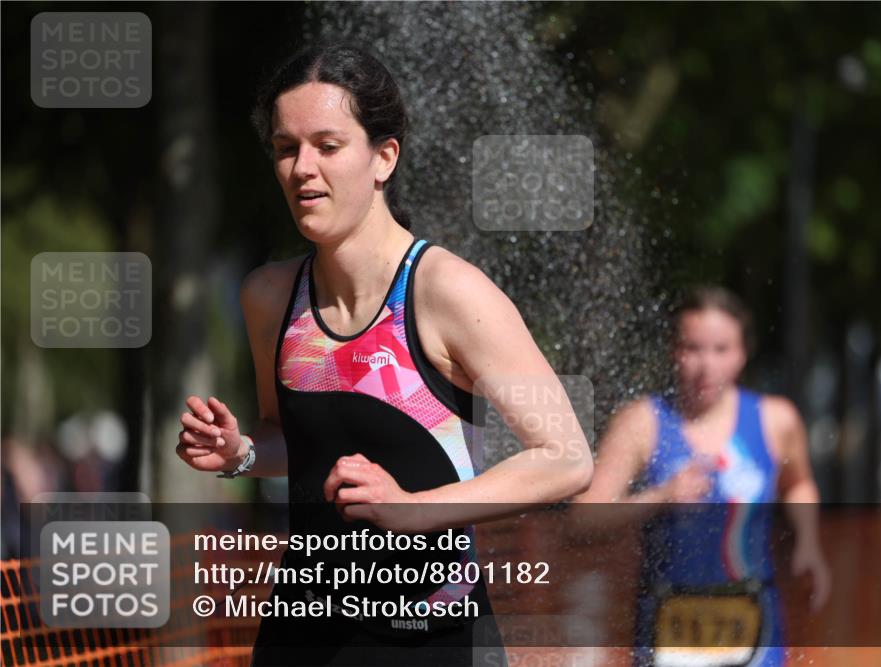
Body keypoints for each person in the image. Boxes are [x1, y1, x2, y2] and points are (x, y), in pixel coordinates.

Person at [175, 42, 593, 666]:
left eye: (328, 145)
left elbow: (566, 458)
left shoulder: (446, 292)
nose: (302, 169)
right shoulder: (269, 296)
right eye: (286, 149)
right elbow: (291, 439)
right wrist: (241, 455)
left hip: (431, 637)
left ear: (383, 157)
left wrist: (415, 510)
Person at [575, 286, 830, 667]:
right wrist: (661, 496)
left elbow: (799, 483)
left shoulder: (776, 420)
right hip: (669, 621)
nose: (706, 365)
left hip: (752, 617)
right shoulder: (642, 422)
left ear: (743, 353)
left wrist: (808, 543)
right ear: (672, 351)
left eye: (721, 350)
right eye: (692, 348)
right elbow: (583, 518)